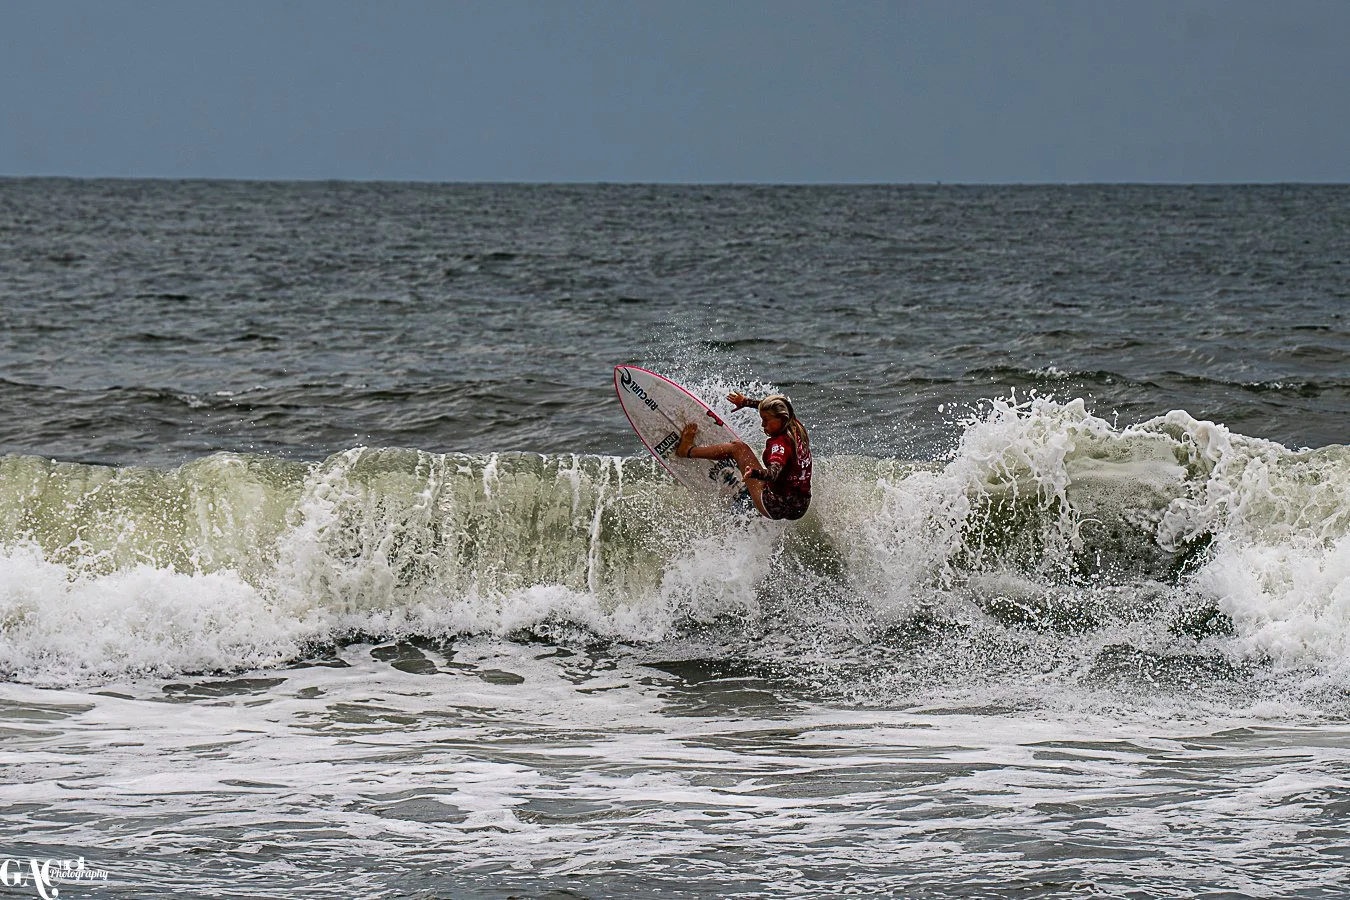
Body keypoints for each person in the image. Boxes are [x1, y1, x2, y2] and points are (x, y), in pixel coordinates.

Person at [676, 391, 812, 520]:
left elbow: (773, 473)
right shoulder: (795, 425)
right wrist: (746, 402)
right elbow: (772, 408)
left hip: (774, 507)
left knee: (738, 448)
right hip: (800, 507)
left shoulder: (780, 446)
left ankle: (687, 450)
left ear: (781, 419)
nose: (763, 424)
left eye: (766, 420)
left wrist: (755, 473)